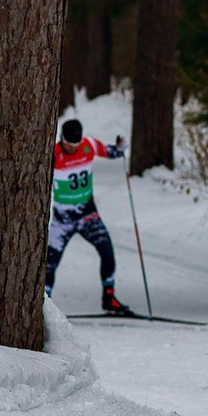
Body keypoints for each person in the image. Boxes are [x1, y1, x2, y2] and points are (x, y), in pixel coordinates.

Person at [48, 118, 131, 311]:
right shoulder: (53, 153)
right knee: (49, 263)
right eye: (68, 145)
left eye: (75, 145)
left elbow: (112, 152)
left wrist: (121, 147)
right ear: (62, 139)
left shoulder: (89, 145)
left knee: (107, 251)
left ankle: (109, 297)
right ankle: (45, 304)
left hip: (88, 214)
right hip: (62, 219)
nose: (72, 149)